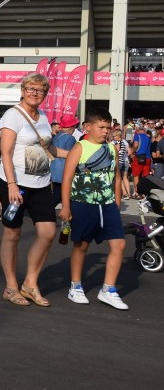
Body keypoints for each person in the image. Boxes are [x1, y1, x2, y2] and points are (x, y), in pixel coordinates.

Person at [0, 73, 69, 307]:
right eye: (31, 89)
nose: (35, 93)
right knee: (12, 234)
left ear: (45, 94)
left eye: (41, 90)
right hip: (15, 183)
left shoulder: (44, 117)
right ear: (23, 89)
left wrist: (79, 155)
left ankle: (30, 283)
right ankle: (10, 286)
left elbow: (50, 150)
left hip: (40, 183)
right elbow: (5, 152)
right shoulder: (13, 115)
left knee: (48, 232)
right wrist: (11, 184)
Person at [60, 107, 128, 310]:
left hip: (107, 205)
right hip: (82, 203)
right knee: (82, 245)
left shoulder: (112, 149)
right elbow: (67, 178)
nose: (105, 131)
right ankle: (75, 286)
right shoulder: (79, 148)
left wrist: (117, 202)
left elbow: (116, 178)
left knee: (120, 246)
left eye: (108, 127)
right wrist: (66, 207)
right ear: (88, 126)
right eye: (101, 127)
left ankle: (108, 289)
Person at [50, 114, 80, 206]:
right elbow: (71, 155)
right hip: (63, 170)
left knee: (58, 193)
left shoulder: (56, 136)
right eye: (74, 126)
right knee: (61, 194)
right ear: (71, 127)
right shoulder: (70, 138)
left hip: (54, 169)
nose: (75, 129)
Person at [131, 126, 152, 198]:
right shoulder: (148, 137)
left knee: (136, 175)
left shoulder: (137, 136)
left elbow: (136, 145)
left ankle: (137, 192)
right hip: (148, 158)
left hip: (139, 157)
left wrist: (133, 152)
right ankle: (144, 192)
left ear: (139, 130)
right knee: (145, 175)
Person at [111, 127, 132, 200]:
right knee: (125, 177)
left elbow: (116, 151)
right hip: (125, 161)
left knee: (118, 178)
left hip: (118, 162)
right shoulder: (125, 142)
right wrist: (125, 156)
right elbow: (129, 152)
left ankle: (124, 193)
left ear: (117, 136)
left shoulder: (114, 143)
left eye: (114, 136)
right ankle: (129, 193)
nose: (113, 137)